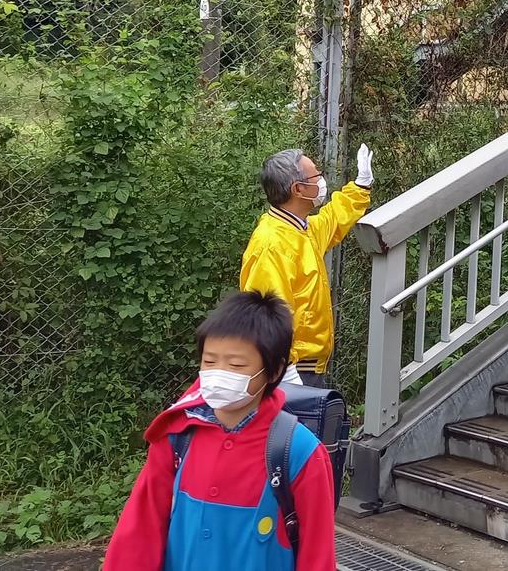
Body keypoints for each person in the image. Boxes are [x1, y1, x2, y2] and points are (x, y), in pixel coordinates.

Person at [104, 290, 336, 571]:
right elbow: (141, 528)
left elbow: (317, 553)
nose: (218, 372)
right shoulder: (178, 434)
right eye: (209, 361)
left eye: (236, 365)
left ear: (274, 371)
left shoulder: (298, 450)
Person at [241, 145, 373, 387]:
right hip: (289, 373)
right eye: (317, 175)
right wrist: (284, 367)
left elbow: (333, 219)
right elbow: (266, 316)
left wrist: (361, 186)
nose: (322, 180)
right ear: (298, 189)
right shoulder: (273, 243)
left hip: (306, 368)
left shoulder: (301, 229)